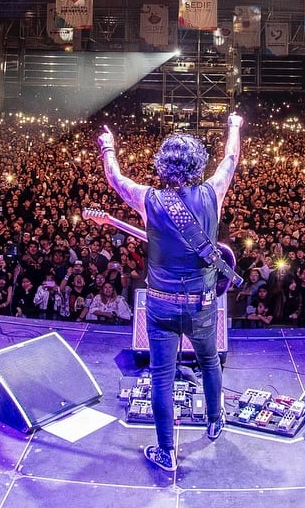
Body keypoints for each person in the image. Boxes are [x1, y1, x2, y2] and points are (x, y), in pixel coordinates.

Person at [99, 113, 243, 473]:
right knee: (209, 361)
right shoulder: (213, 192)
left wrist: (108, 147)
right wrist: (235, 126)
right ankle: (214, 419)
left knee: (162, 375)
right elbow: (231, 159)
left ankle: (166, 452)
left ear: (162, 165)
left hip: (161, 304)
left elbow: (114, 178)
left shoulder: (148, 199)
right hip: (202, 304)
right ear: (198, 164)